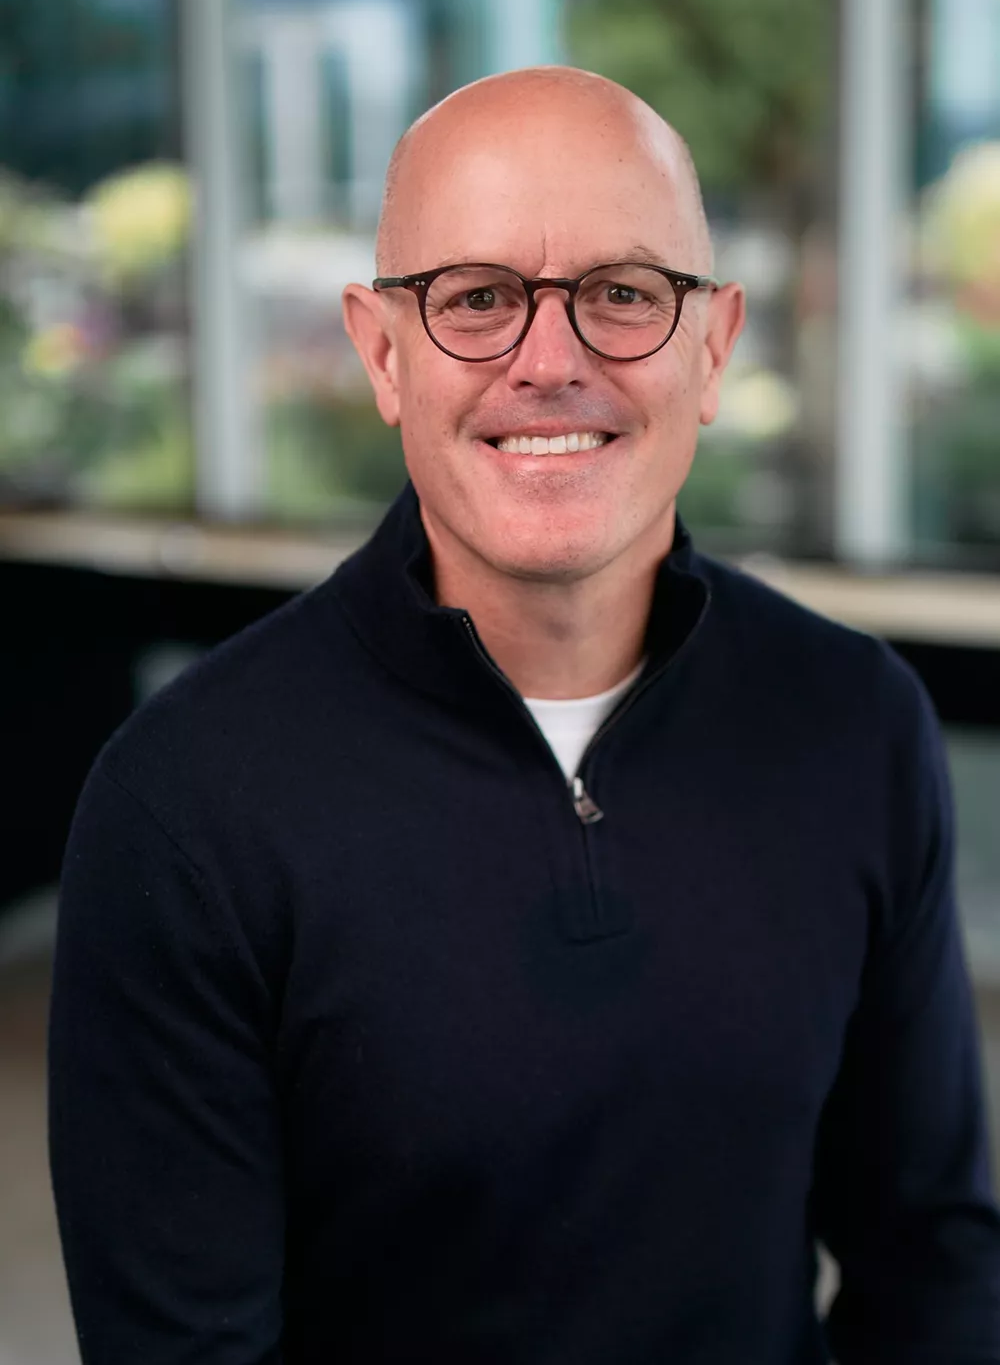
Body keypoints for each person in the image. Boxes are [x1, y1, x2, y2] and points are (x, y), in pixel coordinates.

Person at [49, 67, 1000, 1365]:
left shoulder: (855, 724)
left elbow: (934, 1263)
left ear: (713, 348)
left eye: (622, 293)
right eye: (478, 299)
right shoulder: (184, 808)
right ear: (382, 354)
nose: (549, 362)